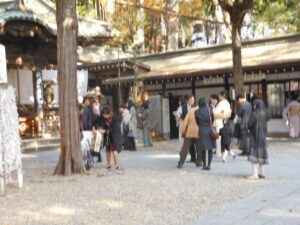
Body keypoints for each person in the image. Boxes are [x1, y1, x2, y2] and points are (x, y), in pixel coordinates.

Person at [247, 99, 270, 179]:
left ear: (256, 105)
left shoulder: (254, 113)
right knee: (262, 153)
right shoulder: (265, 113)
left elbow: (249, 124)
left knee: (254, 154)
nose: (253, 106)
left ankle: (255, 174)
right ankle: (262, 172)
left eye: (254, 105)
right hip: (263, 136)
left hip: (255, 136)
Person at [195, 97, 216, 170]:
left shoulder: (197, 111)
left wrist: (201, 126)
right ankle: (209, 165)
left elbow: (197, 122)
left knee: (202, 149)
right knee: (210, 149)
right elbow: (212, 120)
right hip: (210, 130)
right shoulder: (210, 110)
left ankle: (204, 164)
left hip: (201, 130)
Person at [214, 90, 234, 162]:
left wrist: (220, 115)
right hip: (225, 122)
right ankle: (226, 152)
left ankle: (220, 153)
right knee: (225, 138)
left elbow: (215, 113)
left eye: (220, 96)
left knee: (219, 138)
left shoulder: (221, 103)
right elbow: (228, 113)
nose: (219, 97)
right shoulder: (228, 103)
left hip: (220, 121)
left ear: (222, 96)